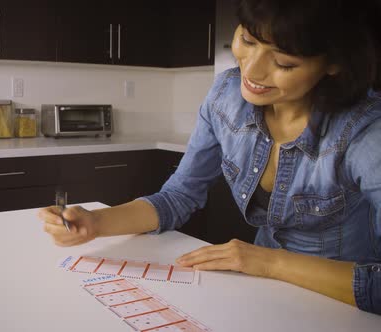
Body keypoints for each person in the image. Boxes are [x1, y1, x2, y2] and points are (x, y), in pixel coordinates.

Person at [38, 0, 381, 315]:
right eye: (247, 40)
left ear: (335, 63)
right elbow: (178, 196)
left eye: (283, 62)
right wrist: (97, 223)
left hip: (343, 306)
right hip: (267, 292)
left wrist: (268, 263)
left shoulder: (368, 132)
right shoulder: (225, 95)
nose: (253, 71)